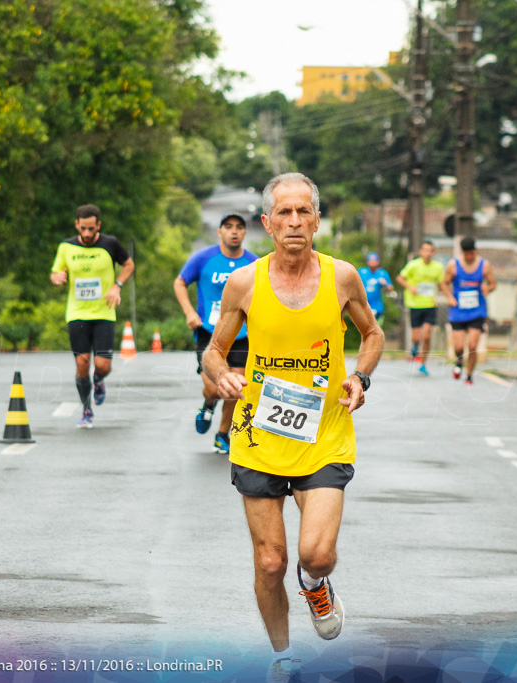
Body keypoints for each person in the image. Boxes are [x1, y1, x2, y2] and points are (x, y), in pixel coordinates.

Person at [203, 173, 383, 680]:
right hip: (260, 435)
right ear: (267, 223)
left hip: (324, 432)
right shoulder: (246, 283)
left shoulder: (342, 277)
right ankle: (283, 658)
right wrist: (222, 376)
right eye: (284, 212)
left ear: (318, 221)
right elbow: (213, 351)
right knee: (269, 562)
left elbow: (373, 334)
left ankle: (316, 585)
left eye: (304, 211)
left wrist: (360, 376)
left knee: (316, 554)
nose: (295, 221)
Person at [173, 214, 258, 453]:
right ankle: (208, 405)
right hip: (209, 332)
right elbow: (180, 282)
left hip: (242, 334)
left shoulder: (254, 263)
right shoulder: (203, 258)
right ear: (219, 232)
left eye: (239, 228)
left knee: (236, 387)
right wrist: (190, 312)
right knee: (213, 388)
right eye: (229, 227)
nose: (234, 231)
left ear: (244, 233)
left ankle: (223, 434)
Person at [50, 204, 134, 427]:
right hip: (77, 313)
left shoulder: (110, 244)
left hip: (104, 313)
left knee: (103, 365)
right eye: (82, 228)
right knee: (81, 363)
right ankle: (87, 410)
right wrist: (57, 278)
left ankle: (99, 381)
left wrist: (117, 285)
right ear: (77, 225)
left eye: (91, 229)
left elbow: (128, 264)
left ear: (98, 225)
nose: (86, 234)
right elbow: (56, 271)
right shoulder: (66, 247)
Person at [441, 237, 496, 385]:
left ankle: (470, 375)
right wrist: (449, 297)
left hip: (477, 311)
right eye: (467, 254)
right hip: (458, 312)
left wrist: (488, 288)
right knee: (458, 347)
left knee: (472, 346)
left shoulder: (484, 265)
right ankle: (459, 361)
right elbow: (444, 283)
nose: (470, 257)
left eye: (472, 253)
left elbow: (492, 284)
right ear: (463, 253)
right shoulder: (453, 265)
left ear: (475, 251)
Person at [396, 241, 443, 375]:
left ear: (433, 253)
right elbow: (400, 278)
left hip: (430, 304)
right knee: (417, 337)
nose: (428, 253)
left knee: (427, 336)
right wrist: (410, 287)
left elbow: (441, 283)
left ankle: (423, 363)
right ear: (421, 252)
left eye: (430, 251)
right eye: (425, 250)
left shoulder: (438, 267)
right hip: (414, 304)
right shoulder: (413, 265)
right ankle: (415, 346)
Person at [358, 252, 395, 326]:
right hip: (363, 305)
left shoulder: (383, 273)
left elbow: (390, 288)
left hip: (377, 306)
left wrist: (385, 284)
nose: (372, 263)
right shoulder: (361, 272)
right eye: (370, 261)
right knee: (365, 329)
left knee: (375, 329)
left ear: (378, 262)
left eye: (374, 261)